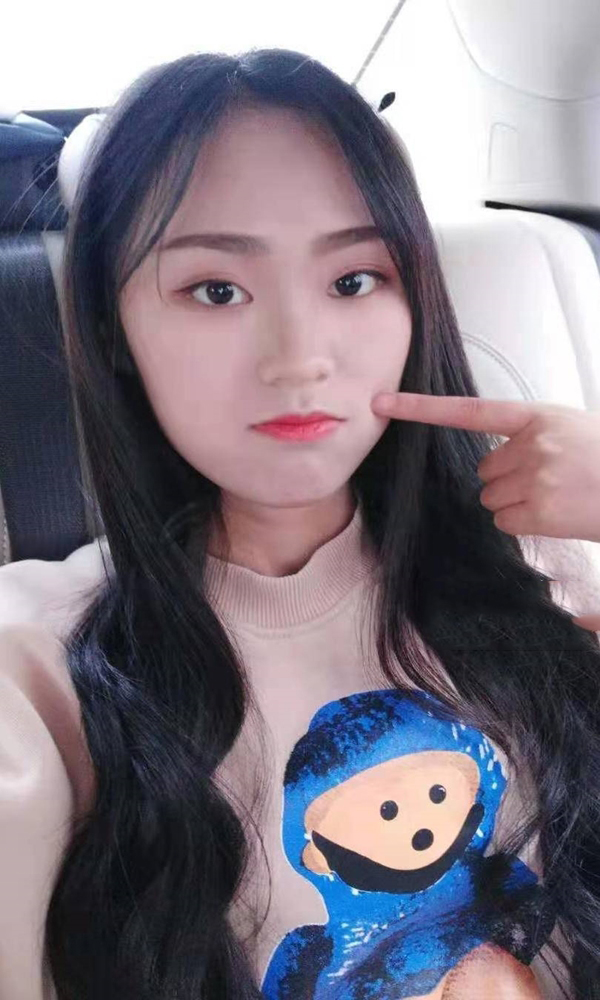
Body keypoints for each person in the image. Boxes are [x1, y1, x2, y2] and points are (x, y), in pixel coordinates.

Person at [1, 47, 600, 1000]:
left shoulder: (552, 568)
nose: (298, 358)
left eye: (354, 280)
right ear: (112, 328)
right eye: (216, 290)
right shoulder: (40, 664)